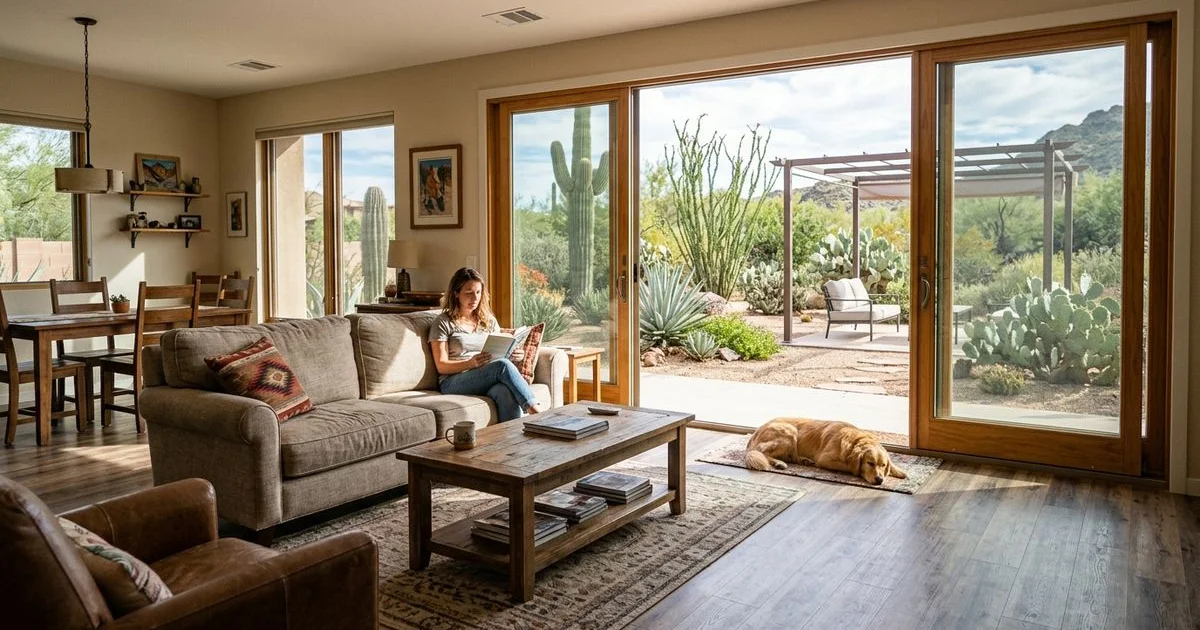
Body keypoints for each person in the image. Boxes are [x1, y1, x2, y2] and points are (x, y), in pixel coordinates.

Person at [429, 267, 541, 421]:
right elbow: (441, 366)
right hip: (453, 381)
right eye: (468, 293)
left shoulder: (488, 320)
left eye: (478, 292)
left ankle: (512, 442)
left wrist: (515, 355)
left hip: (485, 375)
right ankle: (538, 413)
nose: (474, 298)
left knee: (504, 392)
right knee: (501, 365)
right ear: (456, 293)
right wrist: (470, 363)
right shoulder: (443, 322)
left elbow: (499, 354)